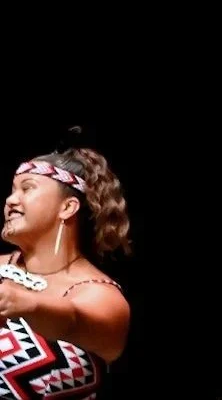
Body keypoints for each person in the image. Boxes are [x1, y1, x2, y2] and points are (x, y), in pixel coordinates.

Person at [2, 135, 133, 398]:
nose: (11, 200)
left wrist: (29, 305)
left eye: (27, 189)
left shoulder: (100, 294)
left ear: (67, 207)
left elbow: (74, 321)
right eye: (13, 190)